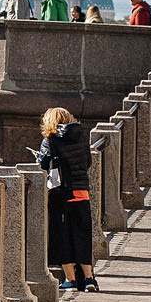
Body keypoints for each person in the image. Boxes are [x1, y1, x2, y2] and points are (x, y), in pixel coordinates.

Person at [37, 105, 98, 292]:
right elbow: (88, 162)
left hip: (61, 194)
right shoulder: (81, 138)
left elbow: (43, 164)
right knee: (82, 235)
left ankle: (70, 280)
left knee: (62, 236)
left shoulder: (50, 140)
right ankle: (89, 279)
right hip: (81, 192)